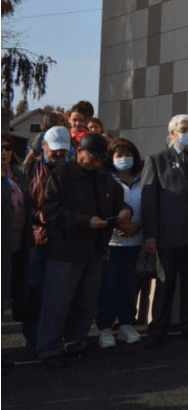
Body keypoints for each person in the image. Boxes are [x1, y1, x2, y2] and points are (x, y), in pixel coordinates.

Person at [36, 133, 132, 368]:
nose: (99, 161)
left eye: (102, 157)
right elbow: (52, 212)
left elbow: (118, 199)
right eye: (94, 156)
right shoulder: (61, 176)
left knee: (86, 303)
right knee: (57, 303)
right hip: (65, 251)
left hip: (95, 250)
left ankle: (76, 343)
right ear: (79, 152)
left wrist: (124, 210)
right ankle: (49, 349)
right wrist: (85, 221)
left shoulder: (104, 176)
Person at [142, 115, 188, 348]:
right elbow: (148, 201)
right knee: (165, 286)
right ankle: (158, 330)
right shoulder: (156, 160)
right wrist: (150, 235)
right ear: (172, 133)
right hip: (167, 237)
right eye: (184, 129)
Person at [19, 126, 71, 348]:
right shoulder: (29, 169)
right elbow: (20, 203)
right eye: (55, 151)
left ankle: (53, 335)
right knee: (34, 290)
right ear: (43, 146)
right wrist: (37, 218)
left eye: (63, 151)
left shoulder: (70, 169)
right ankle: (33, 337)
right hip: (36, 238)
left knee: (58, 292)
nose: (59, 155)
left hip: (62, 238)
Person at [96, 138, 145, 349]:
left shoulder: (143, 178)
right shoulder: (105, 179)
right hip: (112, 242)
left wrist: (137, 225)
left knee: (130, 285)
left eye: (128, 155)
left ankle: (126, 324)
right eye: (119, 156)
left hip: (136, 240)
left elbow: (149, 205)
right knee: (108, 285)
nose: (124, 159)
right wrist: (118, 225)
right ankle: (105, 328)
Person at [2, 132, 33, 373]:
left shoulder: (17, 176)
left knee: (7, 301)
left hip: (16, 248)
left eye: (6, 148)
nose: (3, 153)